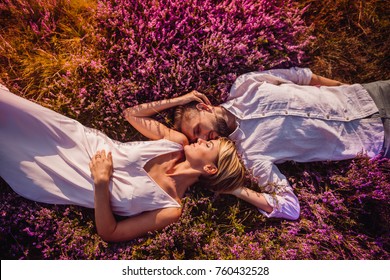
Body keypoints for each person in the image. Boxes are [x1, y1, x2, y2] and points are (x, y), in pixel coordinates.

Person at [0, 84, 246, 242]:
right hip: (70, 138)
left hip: (59, 179)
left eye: (209, 144)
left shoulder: (171, 209)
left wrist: (101, 183)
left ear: (210, 168)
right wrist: (181, 99)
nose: (201, 139)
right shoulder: (176, 142)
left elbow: (111, 233)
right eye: (207, 138)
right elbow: (132, 114)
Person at [172, 67, 390, 220]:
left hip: (367, 95)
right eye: (196, 139)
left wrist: (344, 87)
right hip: (376, 137)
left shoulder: (245, 85)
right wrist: (235, 189)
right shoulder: (250, 154)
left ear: (204, 108)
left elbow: (301, 76)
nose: (202, 139)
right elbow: (290, 208)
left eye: (198, 129)